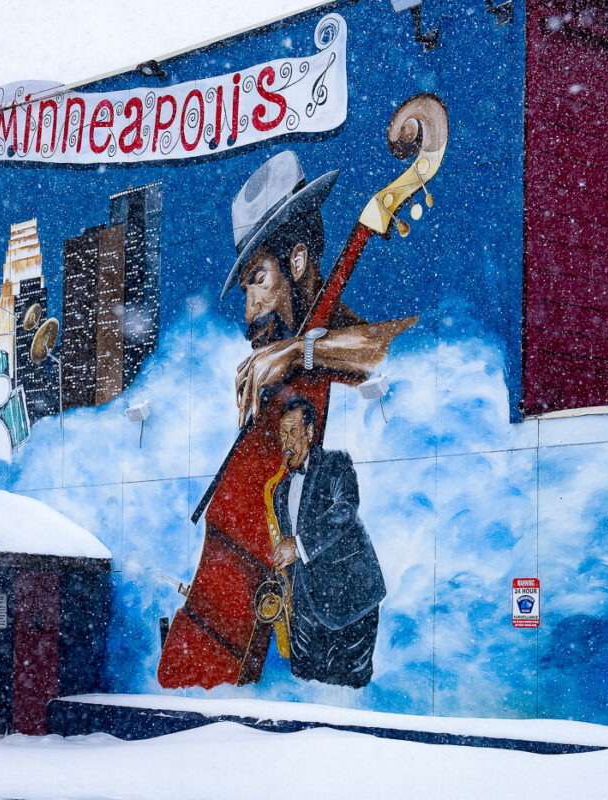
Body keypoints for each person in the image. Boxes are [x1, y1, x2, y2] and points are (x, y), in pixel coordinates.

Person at [222, 150, 417, 425]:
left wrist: (299, 351)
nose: (249, 312)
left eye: (259, 279)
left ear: (297, 262)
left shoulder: (345, 345)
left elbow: (399, 352)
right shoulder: (290, 371)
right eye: (246, 290)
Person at [270, 396, 384, 687]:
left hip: (351, 605)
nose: (286, 441)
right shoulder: (280, 491)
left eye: (293, 432)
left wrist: (297, 545)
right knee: (305, 687)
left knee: (350, 689)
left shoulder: (336, 462)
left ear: (309, 432)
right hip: (308, 612)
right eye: (282, 434)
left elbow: (345, 510)